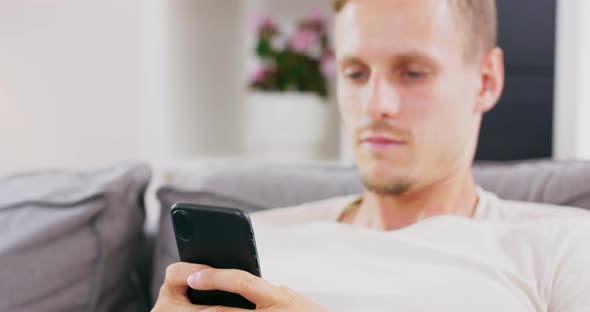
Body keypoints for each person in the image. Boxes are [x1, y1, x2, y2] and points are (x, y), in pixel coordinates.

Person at [152, 0, 590, 311]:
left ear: (486, 81)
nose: (375, 103)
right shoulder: (258, 241)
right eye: (356, 73)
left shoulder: (563, 246)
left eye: (412, 72)